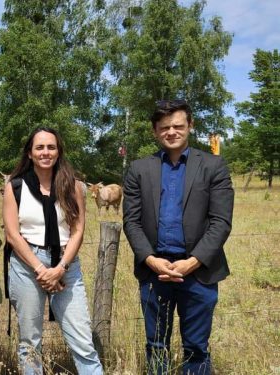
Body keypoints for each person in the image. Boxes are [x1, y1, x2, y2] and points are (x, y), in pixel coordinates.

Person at [123, 99, 234, 375]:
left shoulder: (213, 166)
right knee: (156, 344)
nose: (171, 132)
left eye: (177, 126)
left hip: (198, 273)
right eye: (164, 127)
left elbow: (221, 222)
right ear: (155, 131)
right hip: (155, 273)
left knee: (196, 346)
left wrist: (192, 262)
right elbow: (131, 222)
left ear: (190, 126)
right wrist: (150, 259)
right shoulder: (139, 169)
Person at [3, 127, 103, 375]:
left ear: (59, 151)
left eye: (51, 147)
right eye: (40, 147)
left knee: (82, 340)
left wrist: (60, 269)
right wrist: (41, 269)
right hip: (26, 266)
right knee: (30, 342)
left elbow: (78, 230)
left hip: (66, 264)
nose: (45, 152)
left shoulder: (74, 186)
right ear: (30, 152)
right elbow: (12, 235)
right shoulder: (15, 186)